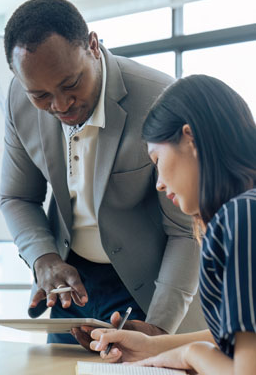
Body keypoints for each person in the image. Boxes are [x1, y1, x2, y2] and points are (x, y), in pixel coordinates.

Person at [0, 0, 206, 347]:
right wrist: (44, 258)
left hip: (151, 292)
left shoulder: (162, 99)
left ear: (93, 46)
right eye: (41, 95)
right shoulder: (19, 101)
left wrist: (158, 331)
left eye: (71, 84)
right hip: (71, 286)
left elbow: (186, 231)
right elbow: (17, 196)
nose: (61, 105)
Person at [90, 74, 256, 374]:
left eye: (156, 160)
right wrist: (151, 345)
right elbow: (242, 340)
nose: (160, 184)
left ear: (190, 137)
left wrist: (191, 354)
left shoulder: (240, 216)